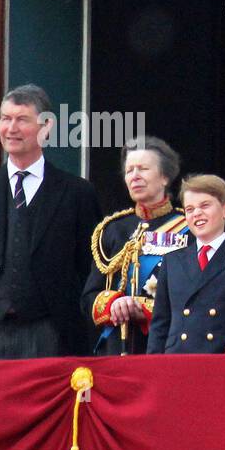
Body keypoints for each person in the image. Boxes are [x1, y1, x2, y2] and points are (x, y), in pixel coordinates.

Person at [0, 84, 102, 360]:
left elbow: (89, 266)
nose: (11, 129)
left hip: (53, 335)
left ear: (46, 127)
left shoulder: (77, 194)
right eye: (5, 119)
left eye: (22, 120)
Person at [82, 136, 190, 355]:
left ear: (165, 177)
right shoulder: (112, 229)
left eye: (143, 169)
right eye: (130, 170)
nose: (135, 176)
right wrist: (113, 303)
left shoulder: (189, 228)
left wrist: (145, 309)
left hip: (166, 345)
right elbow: (89, 296)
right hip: (115, 347)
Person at [147, 175, 225, 353]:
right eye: (189, 209)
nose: (196, 213)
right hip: (176, 362)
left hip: (223, 361)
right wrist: (153, 366)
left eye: (205, 205)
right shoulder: (172, 261)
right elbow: (160, 323)